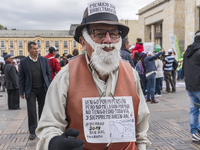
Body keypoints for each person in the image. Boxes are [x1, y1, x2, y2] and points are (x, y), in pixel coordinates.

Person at [36, 2, 151, 150]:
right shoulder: (66, 77)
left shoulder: (131, 74)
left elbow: (141, 125)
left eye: (114, 33)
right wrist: (54, 142)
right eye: (99, 33)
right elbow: (49, 126)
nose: (108, 40)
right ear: (83, 42)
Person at [19, 42, 51, 140]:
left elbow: (48, 74)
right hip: (31, 90)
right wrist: (21, 92)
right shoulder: (24, 62)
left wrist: (49, 86)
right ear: (29, 50)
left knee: (43, 110)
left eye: (37, 48)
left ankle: (41, 129)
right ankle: (32, 131)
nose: (36, 50)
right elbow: (21, 77)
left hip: (42, 89)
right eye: (34, 49)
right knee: (32, 111)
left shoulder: (44, 60)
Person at [182, 30, 200, 142]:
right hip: (198, 85)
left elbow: (183, 70)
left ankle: (194, 133)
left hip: (190, 86)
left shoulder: (187, 52)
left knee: (194, 110)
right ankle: (197, 132)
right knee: (194, 110)